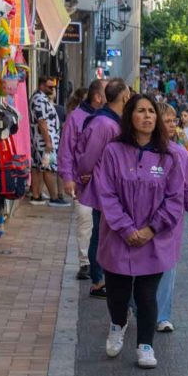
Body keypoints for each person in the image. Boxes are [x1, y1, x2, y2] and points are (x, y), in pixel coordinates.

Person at [95, 95, 185, 369]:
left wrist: (151, 228)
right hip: (118, 236)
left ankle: (145, 345)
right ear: (129, 117)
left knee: (147, 295)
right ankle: (117, 323)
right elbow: (106, 193)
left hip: (153, 239)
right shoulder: (113, 151)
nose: (147, 116)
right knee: (117, 293)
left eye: (151, 112)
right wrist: (125, 228)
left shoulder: (169, 155)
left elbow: (174, 197)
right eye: (140, 111)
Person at [75, 78, 131, 299]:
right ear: (125, 97)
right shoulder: (105, 123)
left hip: (106, 185)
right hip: (101, 185)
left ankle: (101, 278)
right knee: (100, 233)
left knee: (103, 231)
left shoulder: (110, 121)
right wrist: (85, 175)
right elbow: (89, 156)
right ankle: (98, 280)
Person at [149, 104, 188, 333]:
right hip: (142, 220)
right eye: (167, 121)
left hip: (171, 222)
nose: (172, 125)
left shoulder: (180, 154)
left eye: (174, 121)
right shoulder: (140, 151)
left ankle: (161, 316)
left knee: (167, 266)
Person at [59, 79, 105, 281]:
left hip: (106, 183)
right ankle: (85, 262)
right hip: (82, 182)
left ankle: (101, 264)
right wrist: (68, 177)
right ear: (98, 96)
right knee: (85, 221)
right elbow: (66, 149)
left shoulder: (112, 117)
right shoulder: (76, 117)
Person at [30, 76, 67, 206]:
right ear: (41, 86)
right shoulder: (39, 100)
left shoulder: (41, 98)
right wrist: (48, 142)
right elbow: (42, 122)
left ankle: (36, 195)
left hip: (42, 140)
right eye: (49, 86)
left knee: (37, 168)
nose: (52, 89)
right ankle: (54, 197)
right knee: (48, 168)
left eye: (53, 87)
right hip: (43, 141)